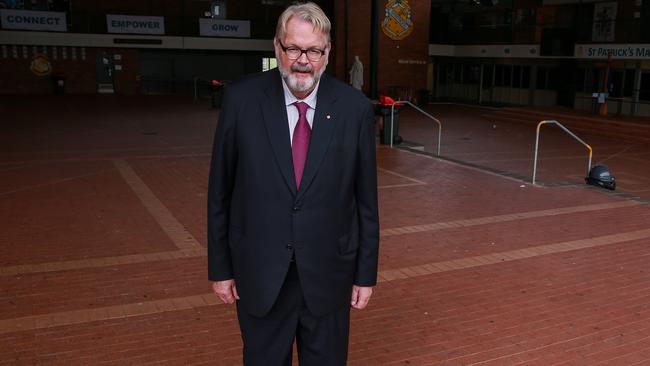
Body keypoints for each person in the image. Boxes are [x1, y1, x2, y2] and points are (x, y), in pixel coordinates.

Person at [207, 2, 379, 365]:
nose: (303, 60)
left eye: (314, 50)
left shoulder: (355, 109)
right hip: (261, 277)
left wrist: (365, 275)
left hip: (329, 279)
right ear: (277, 48)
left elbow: (365, 202)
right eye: (293, 48)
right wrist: (221, 269)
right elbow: (220, 192)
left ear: (327, 53)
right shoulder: (241, 101)